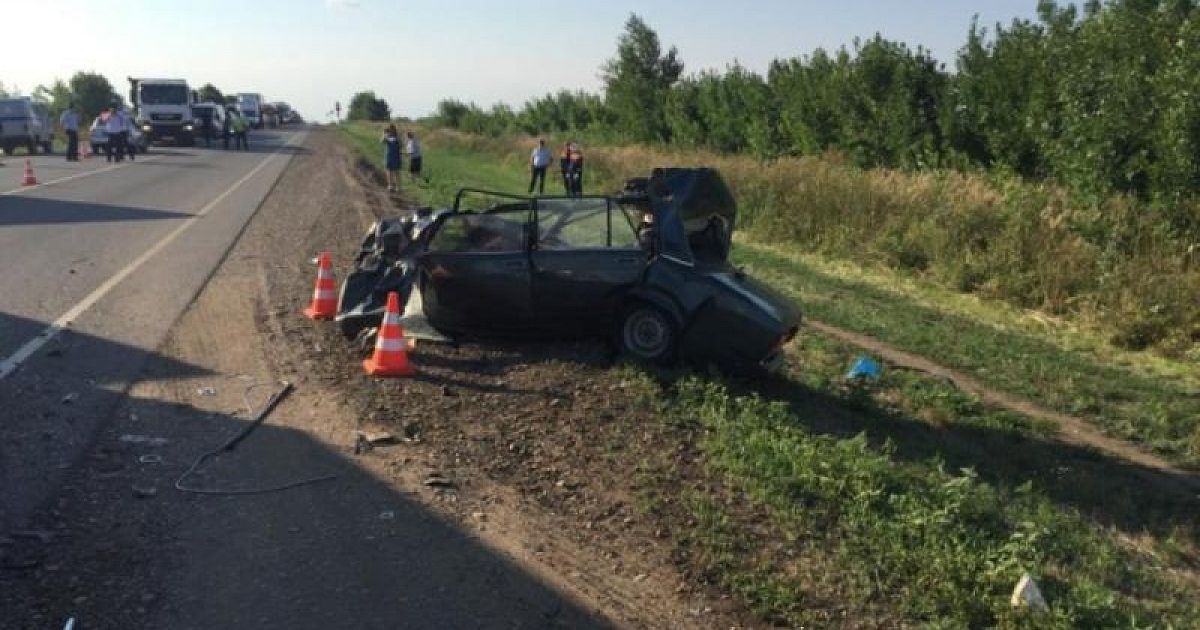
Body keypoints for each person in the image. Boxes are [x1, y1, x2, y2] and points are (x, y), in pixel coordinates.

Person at [382, 124, 402, 191]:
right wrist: (384, 134)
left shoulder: (397, 137)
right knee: (389, 171)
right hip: (388, 156)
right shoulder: (387, 136)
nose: (391, 131)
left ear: (394, 130)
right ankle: (390, 185)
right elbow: (382, 141)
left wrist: (398, 138)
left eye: (392, 129)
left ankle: (398, 186)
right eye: (390, 129)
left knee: (396, 172)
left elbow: (401, 145)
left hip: (396, 156)